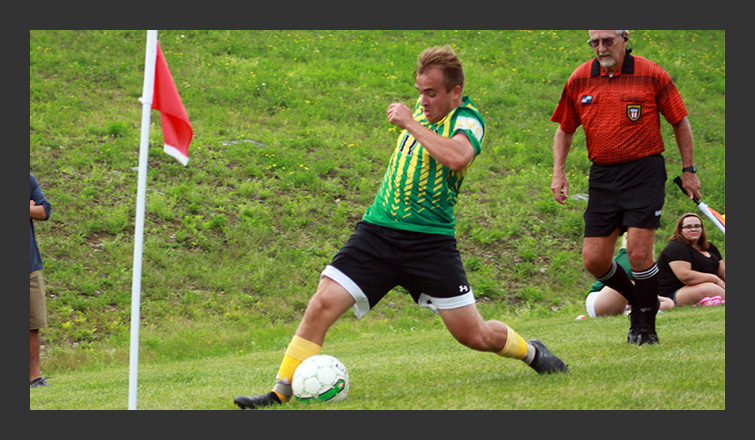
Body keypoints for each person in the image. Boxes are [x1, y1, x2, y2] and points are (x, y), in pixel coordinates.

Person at [235, 46, 567, 409]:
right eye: (420, 91)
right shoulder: (424, 111)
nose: (424, 100)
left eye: (432, 93)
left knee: (474, 335)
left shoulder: (468, 120)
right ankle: (280, 391)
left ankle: (532, 353)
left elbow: (458, 157)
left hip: (430, 244)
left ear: (455, 92)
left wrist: (411, 122)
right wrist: (416, 115)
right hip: (377, 232)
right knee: (322, 303)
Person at [550, 30, 702, 345]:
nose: (601, 48)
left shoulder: (651, 73)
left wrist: (689, 170)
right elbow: (565, 129)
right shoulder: (579, 78)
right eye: (595, 42)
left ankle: (645, 326)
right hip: (603, 176)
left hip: (644, 172)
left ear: (625, 38)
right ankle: (638, 300)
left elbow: (679, 121)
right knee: (594, 260)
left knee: (638, 253)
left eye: (608, 41)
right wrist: (558, 172)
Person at [586, 236, 674, 318]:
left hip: (626, 301)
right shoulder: (626, 257)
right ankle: (635, 309)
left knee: (668, 303)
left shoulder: (644, 260)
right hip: (600, 298)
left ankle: (632, 310)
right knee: (630, 283)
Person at [657, 213, 725, 307]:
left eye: (697, 226)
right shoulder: (676, 247)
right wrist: (714, 279)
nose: (693, 229)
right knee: (709, 288)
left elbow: (722, 271)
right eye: (688, 227)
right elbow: (686, 276)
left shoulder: (710, 247)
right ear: (680, 230)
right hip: (673, 293)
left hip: (705, 286)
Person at [30, 173, 52, 388]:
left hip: (29, 266)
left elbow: (44, 211)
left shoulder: (28, 179)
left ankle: (34, 378)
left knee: (32, 324)